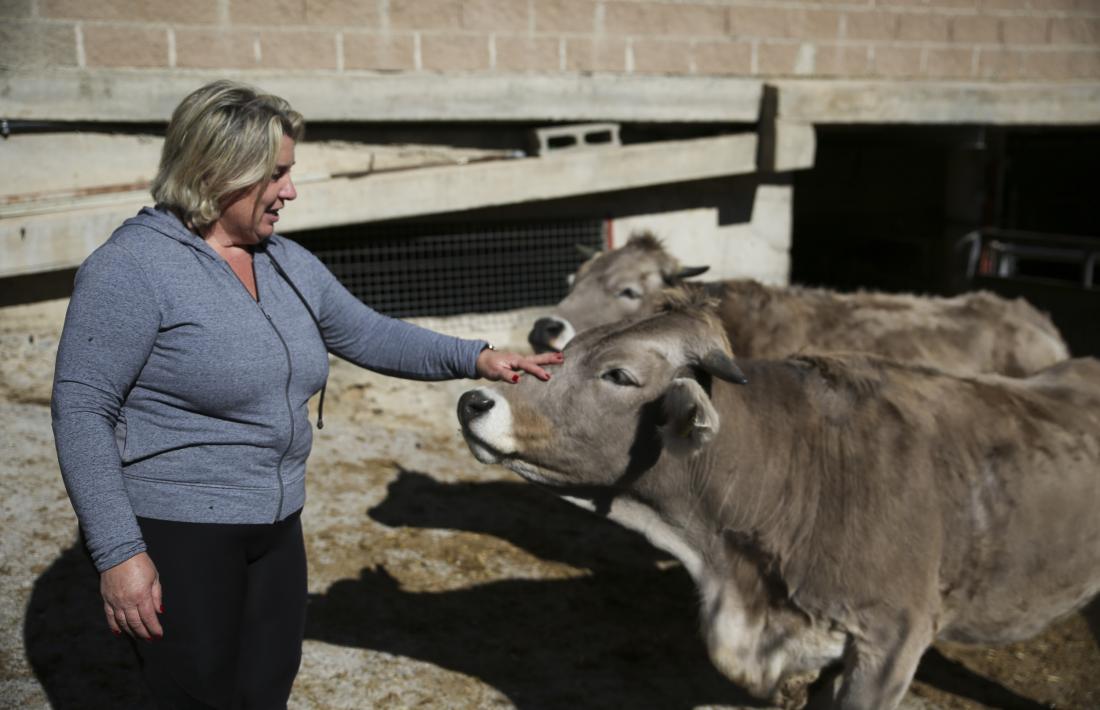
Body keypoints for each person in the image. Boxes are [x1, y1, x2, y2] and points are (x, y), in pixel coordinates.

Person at [51, 79, 561, 709]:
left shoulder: (284, 260)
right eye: (277, 174)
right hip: (180, 528)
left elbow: (367, 333)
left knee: (265, 691)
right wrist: (119, 554)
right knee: (195, 698)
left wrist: (478, 358)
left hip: (276, 526)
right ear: (220, 170)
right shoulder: (131, 269)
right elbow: (82, 408)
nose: (291, 191)